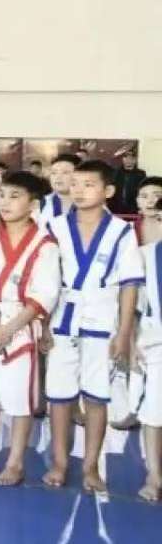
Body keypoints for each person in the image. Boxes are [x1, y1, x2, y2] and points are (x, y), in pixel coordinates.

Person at [43, 160, 144, 493]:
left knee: (97, 397)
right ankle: (60, 462)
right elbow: (44, 280)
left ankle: (90, 466)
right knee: (59, 396)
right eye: (75, 184)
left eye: (89, 184)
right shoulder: (55, 226)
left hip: (102, 320)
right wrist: (43, 325)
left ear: (108, 190)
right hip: (61, 319)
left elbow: (129, 284)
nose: (79, 190)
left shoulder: (121, 230)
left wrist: (124, 333)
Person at [0, 170, 60, 486]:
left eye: (15, 196)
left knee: (19, 399)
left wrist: (9, 328)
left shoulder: (45, 243)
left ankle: (16, 462)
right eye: (2, 195)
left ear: (33, 204)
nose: (5, 202)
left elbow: (45, 294)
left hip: (19, 323)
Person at [137, 199, 162, 502]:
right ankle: (154, 474)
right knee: (154, 410)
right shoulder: (147, 256)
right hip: (156, 341)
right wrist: (131, 340)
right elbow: (133, 304)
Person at [38, 154, 79, 227]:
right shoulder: (42, 203)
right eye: (54, 173)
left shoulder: (91, 206)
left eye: (65, 172)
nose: (58, 177)